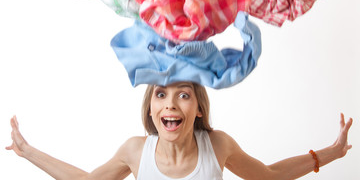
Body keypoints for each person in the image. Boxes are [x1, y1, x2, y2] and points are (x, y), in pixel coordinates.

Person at [7, 82, 353, 180]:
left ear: (199, 107)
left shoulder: (216, 145)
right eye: (161, 95)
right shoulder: (135, 151)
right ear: (151, 108)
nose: (170, 104)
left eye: (183, 95)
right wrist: (28, 151)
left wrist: (331, 153)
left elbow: (269, 175)